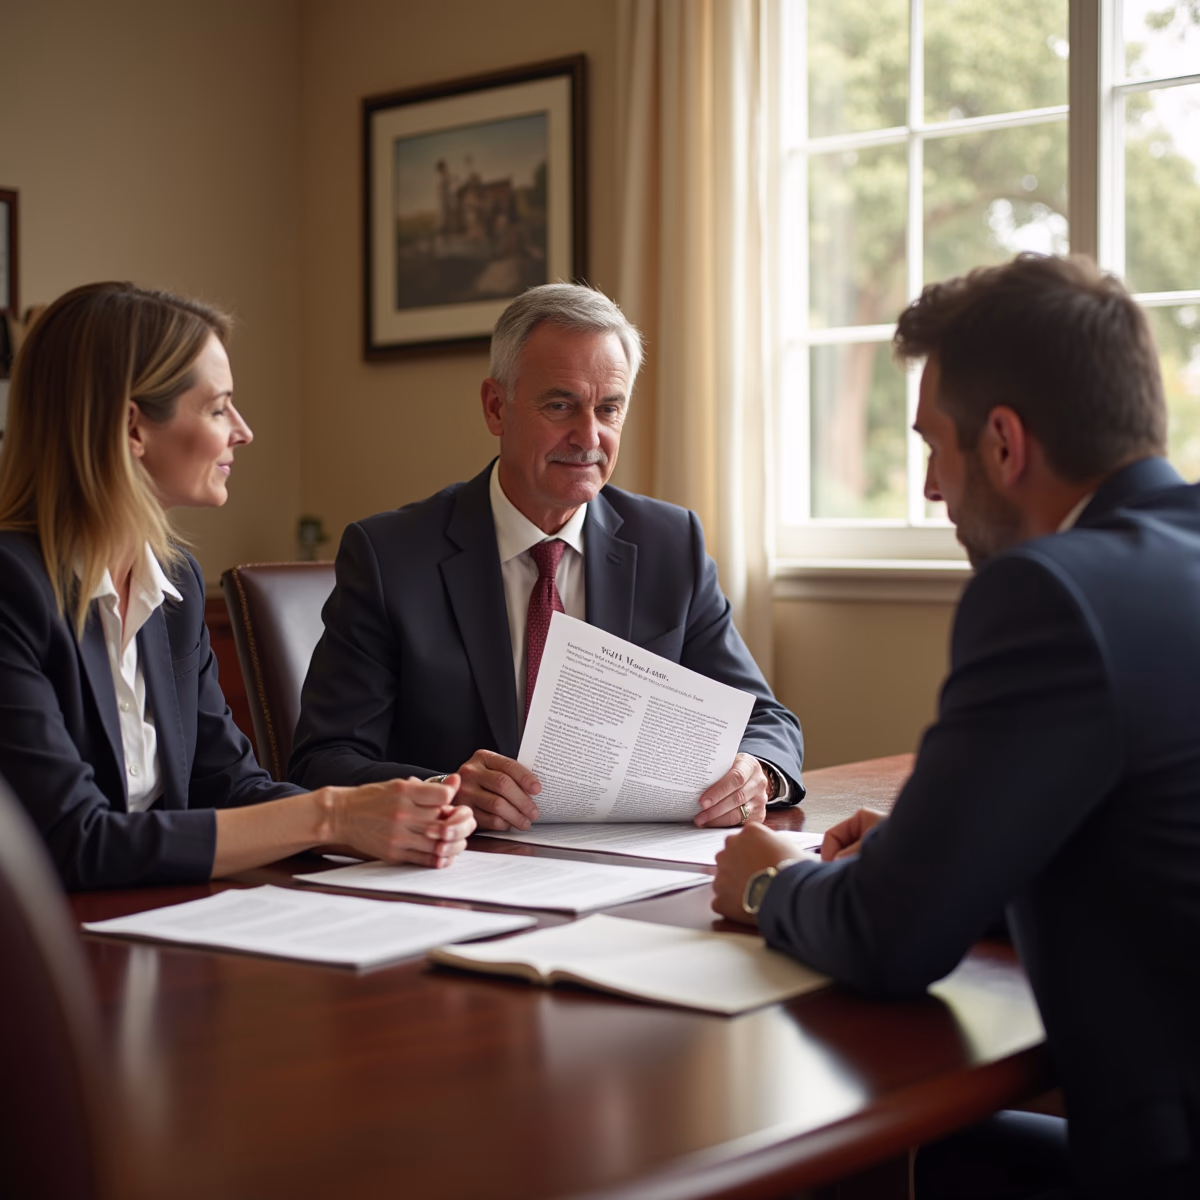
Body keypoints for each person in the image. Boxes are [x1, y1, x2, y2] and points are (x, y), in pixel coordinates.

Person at [712, 254, 1200, 1198]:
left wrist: (771, 886)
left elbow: (893, 943)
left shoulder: (1052, 595)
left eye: (935, 445)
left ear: (1006, 444)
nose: (933, 489)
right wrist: (945, 850)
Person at [0, 282, 474, 890]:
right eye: (219, 407)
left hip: (163, 923)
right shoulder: (12, 589)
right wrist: (330, 815)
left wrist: (410, 806)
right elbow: (73, 842)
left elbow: (229, 784)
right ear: (132, 427)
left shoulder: (174, 586)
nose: (243, 431)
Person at [289, 283, 805, 833]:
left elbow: (766, 720)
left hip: (630, 869)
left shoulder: (669, 544)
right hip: (458, 871)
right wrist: (444, 790)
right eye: (561, 405)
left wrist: (758, 774)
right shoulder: (390, 556)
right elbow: (323, 761)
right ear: (496, 407)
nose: (589, 437)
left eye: (609, 409)